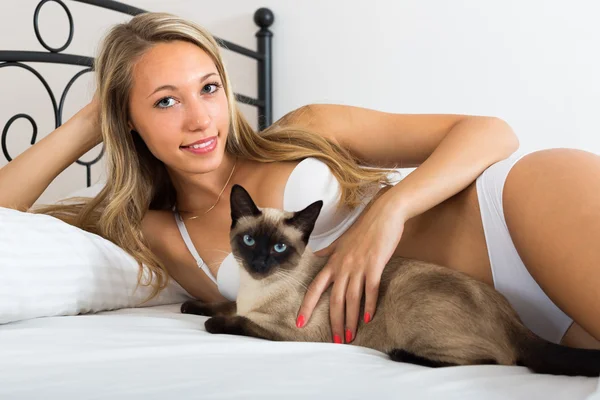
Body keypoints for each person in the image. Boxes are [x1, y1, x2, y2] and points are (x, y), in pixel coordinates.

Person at [0, 12, 598, 351]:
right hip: (485, 326)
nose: (200, 118)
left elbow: (491, 131)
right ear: (126, 118)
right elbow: (6, 215)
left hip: (518, 216)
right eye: (164, 101)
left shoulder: (303, 129)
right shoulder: (153, 232)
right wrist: (87, 122)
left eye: (209, 87)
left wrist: (389, 215)